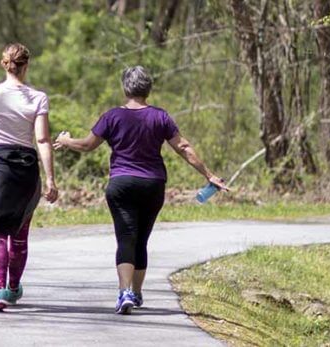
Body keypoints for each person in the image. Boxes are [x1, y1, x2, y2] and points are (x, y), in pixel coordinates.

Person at [54, 66, 228, 314]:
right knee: (141, 240)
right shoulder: (161, 117)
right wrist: (209, 175)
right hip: (152, 185)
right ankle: (135, 293)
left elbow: (87, 145)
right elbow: (184, 147)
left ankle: (124, 292)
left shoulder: (112, 116)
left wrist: (66, 141)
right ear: (148, 89)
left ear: (125, 88)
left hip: (122, 184)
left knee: (126, 238)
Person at [0, 43, 59, 312]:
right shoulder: (38, 97)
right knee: (20, 235)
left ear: (3, 63)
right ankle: (12, 287)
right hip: (26, 168)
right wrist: (51, 179)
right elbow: (42, 139)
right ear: (26, 65)